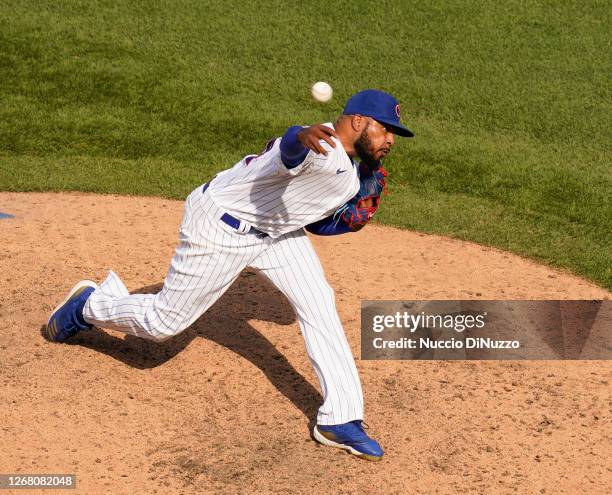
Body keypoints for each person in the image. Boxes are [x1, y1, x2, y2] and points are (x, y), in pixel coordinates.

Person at [46, 89, 414, 461]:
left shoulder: (352, 172)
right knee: (161, 324)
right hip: (220, 229)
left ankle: (341, 418)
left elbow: (322, 219)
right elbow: (289, 150)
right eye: (385, 130)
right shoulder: (318, 146)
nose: (390, 140)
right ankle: (87, 306)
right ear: (357, 121)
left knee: (319, 302)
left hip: (276, 231)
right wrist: (298, 136)